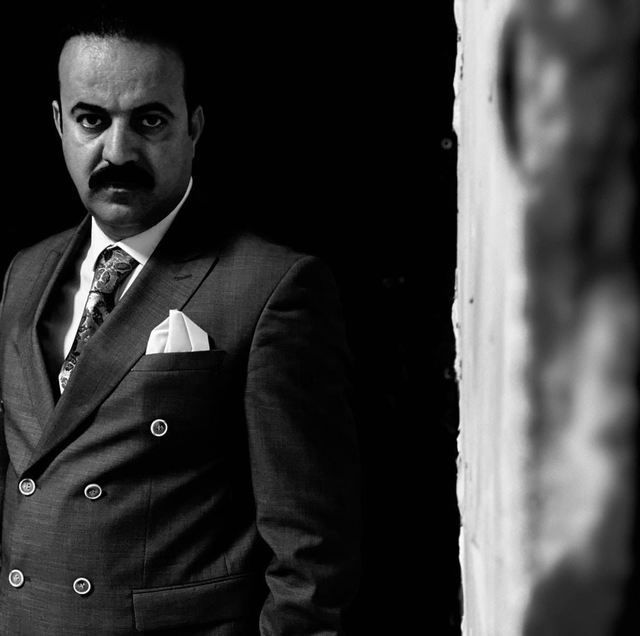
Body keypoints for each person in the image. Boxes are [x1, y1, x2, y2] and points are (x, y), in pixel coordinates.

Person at [0, 6, 361, 635]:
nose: (118, 151)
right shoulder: (25, 274)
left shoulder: (272, 287)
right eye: (91, 120)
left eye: (149, 121)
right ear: (59, 123)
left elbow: (312, 558)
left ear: (193, 126)